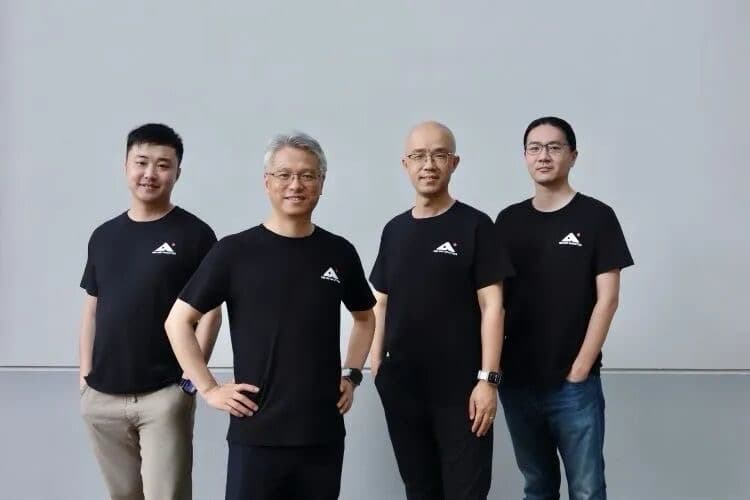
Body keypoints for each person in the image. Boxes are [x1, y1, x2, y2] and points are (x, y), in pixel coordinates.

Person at [165, 131, 376, 500]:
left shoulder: (339, 252)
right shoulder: (234, 252)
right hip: (256, 433)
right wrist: (209, 389)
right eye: (284, 175)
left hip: (321, 433)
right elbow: (177, 321)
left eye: (307, 175)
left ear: (321, 183)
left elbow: (365, 317)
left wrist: (353, 374)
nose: (295, 185)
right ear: (267, 182)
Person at [370, 121, 513, 500]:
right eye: (418, 156)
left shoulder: (475, 225)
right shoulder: (394, 230)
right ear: (405, 164)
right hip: (403, 384)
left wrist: (488, 380)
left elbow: (493, 306)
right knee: (419, 489)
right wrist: (377, 365)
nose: (428, 164)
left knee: (466, 491)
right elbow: (381, 301)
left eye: (439, 155)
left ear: (454, 163)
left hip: (463, 389)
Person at [79, 123, 220, 500]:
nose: (150, 173)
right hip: (102, 396)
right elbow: (92, 309)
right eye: (141, 162)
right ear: (125, 166)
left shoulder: (195, 234)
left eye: (163, 165)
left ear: (177, 173)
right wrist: (84, 378)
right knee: (123, 495)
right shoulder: (104, 236)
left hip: (163, 394)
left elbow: (210, 312)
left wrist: (190, 382)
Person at [496, 116, 634, 500]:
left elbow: (608, 298)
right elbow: (495, 302)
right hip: (518, 382)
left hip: (573, 385)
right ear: (525, 157)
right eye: (535, 148)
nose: (544, 156)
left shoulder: (597, 217)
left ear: (572, 156)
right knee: (537, 487)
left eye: (554, 147)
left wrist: (580, 368)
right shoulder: (507, 221)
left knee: (587, 489)